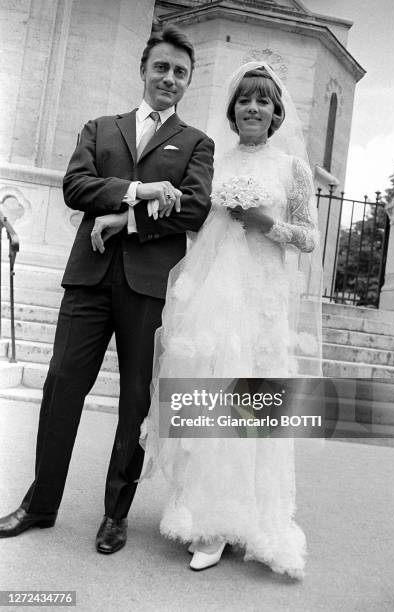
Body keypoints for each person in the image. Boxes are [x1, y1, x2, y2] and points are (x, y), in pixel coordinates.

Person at [0, 25, 214, 555]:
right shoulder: (100, 128)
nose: (169, 78)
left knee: (135, 400)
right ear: (144, 69)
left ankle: (115, 515)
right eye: (161, 67)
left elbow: (194, 207)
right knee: (61, 386)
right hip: (88, 279)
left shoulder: (196, 143)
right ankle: (40, 504)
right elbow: (77, 187)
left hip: (148, 288)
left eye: (180, 72)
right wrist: (140, 192)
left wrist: (127, 221)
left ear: (188, 82)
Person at [139, 61, 323, 579]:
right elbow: (192, 220)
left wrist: (270, 226)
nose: (253, 108)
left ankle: (250, 517)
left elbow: (309, 238)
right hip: (216, 297)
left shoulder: (292, 169)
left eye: (263, 101)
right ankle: (209, 520)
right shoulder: (212, 160)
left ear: (277, 111)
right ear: (233, 107)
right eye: (245, 99)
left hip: (261, 301)